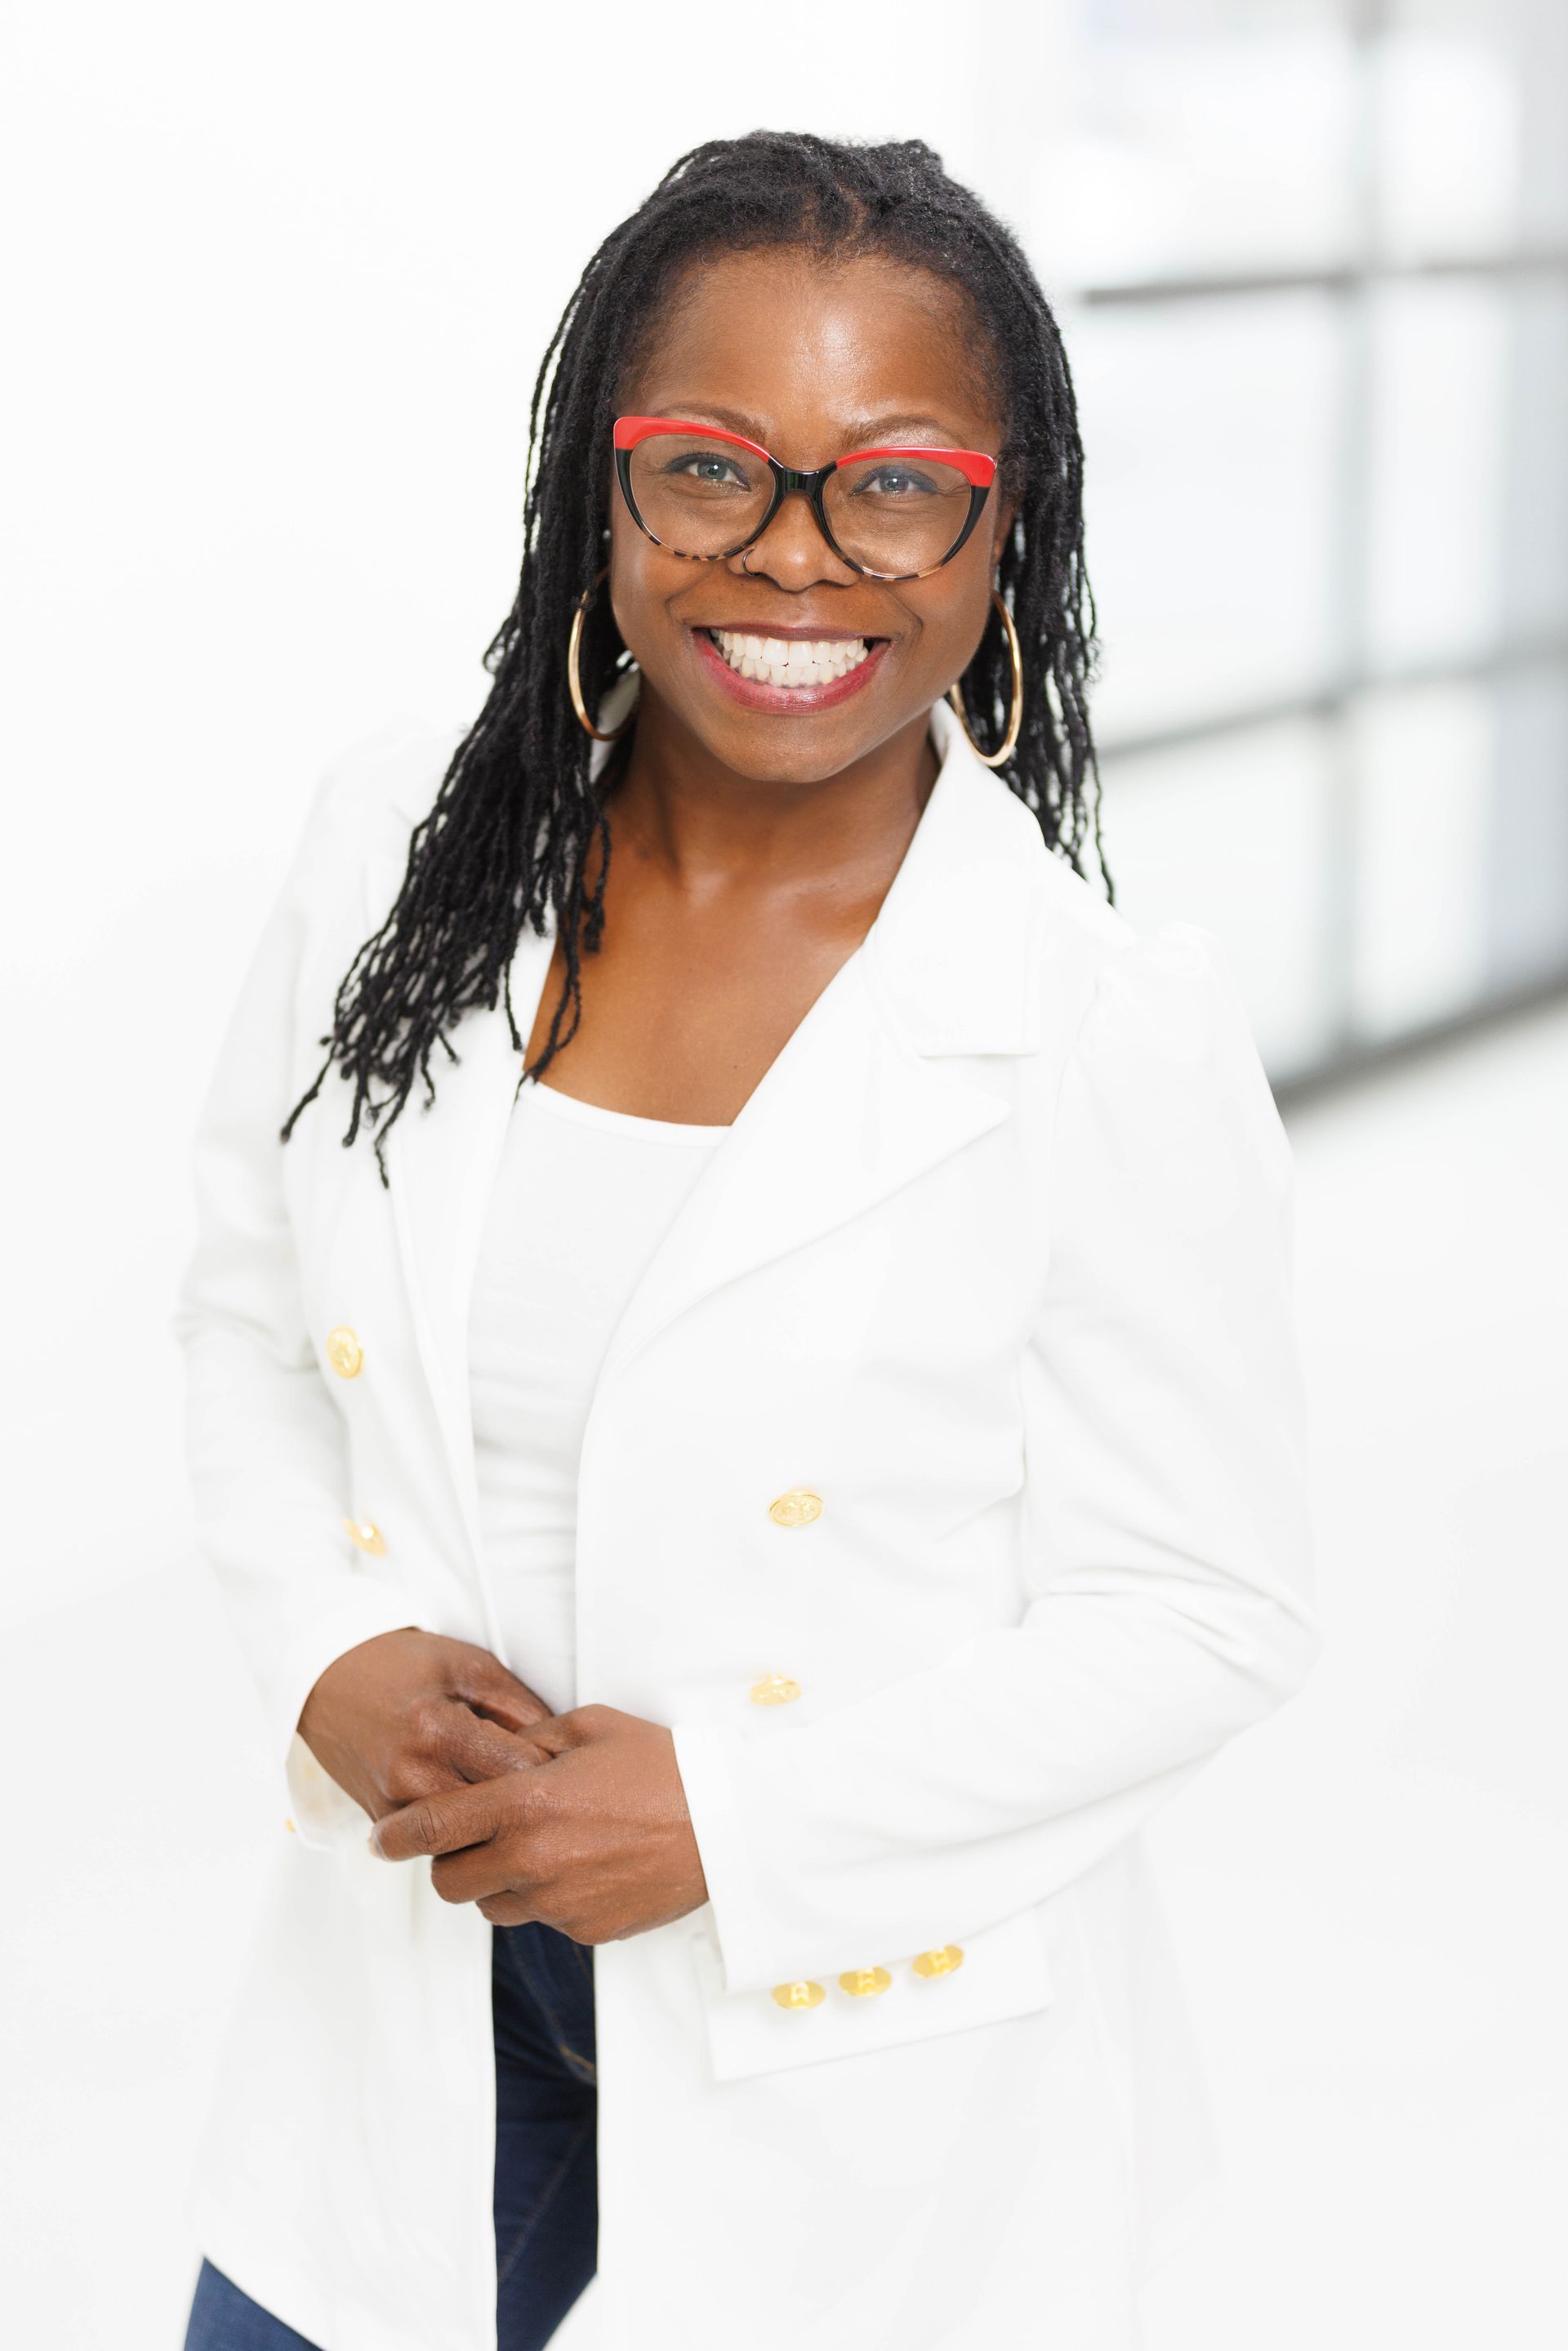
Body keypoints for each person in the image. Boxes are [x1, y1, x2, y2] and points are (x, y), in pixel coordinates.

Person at [173, 130, 1321, 2351]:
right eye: (711, 467)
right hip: (414, 1977)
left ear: (1011, 528)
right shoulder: (395, 856)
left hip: (860, 2043)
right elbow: (243, 1308)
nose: (795, 562)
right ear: (598, 495)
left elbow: (1205, 1608)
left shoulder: (1104, 1027)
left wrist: (733, 1825)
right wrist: (331, 1651)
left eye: (894, 485)